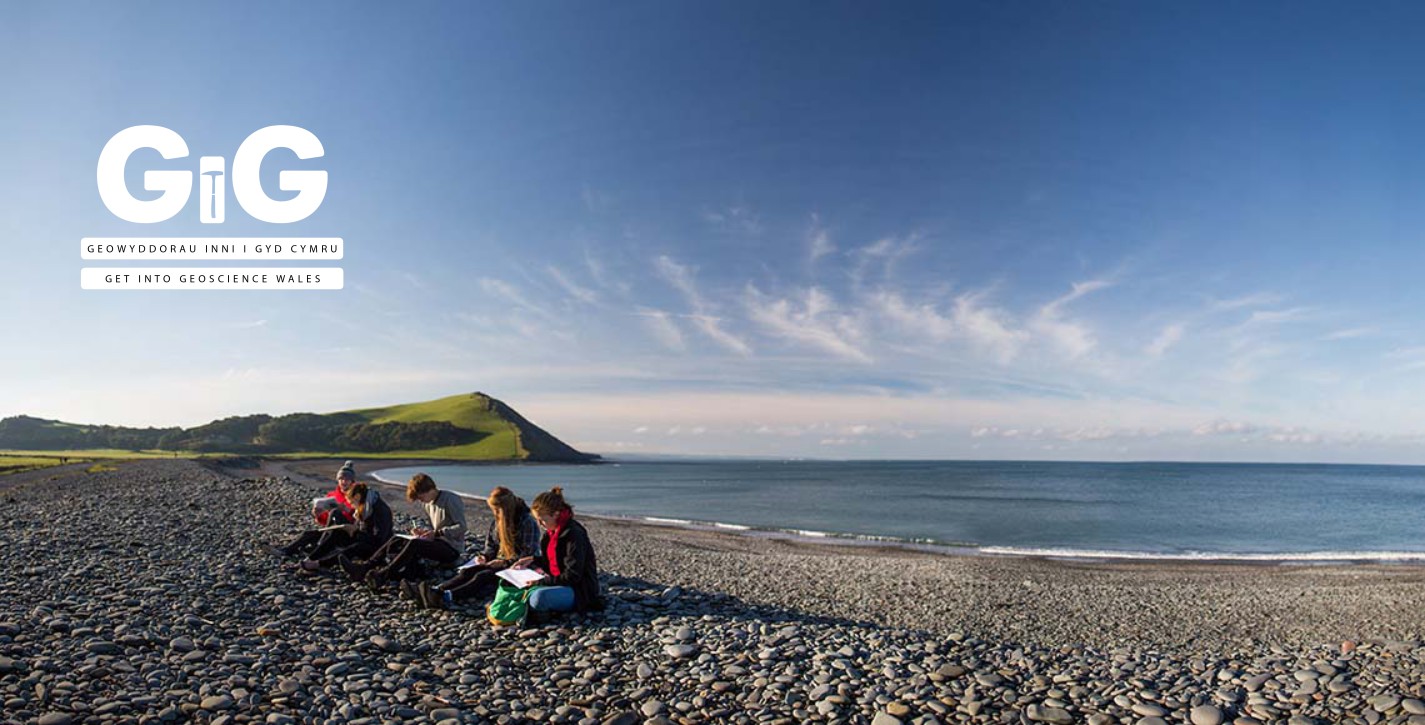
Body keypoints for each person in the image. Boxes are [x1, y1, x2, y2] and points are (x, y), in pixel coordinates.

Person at [408, 486, 541, 609]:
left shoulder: (527, 522)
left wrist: (505, 562)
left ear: (505, 509)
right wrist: (485, 556)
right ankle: (435, 590)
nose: (494, 514)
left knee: (482, 576)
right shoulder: (497, 521)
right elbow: (491, 545)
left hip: (517, 567)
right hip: (498, 562)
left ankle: (446, 596)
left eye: (496, 511)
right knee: (467, 572)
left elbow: (527, 554)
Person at [340, 472, 466, 587]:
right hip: (437, 542)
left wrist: (437, 533)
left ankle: (383, 575)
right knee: (396, 539)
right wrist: (423, 532)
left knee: (414, 544)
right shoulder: (427, 503)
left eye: (420, 497)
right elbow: (434, 528)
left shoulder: (450, 499)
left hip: (452, 548)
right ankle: (365, 567)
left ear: (429, 489)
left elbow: (462, 527)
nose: (420, 500)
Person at [509, 486, 601, 615]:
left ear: (556, 514)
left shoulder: (574, 534)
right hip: (558, 582)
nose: (540, 524)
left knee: (538, 598)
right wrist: (532, 560)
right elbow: (553, 562)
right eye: (537, 520)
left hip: (578, 589)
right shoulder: (550, 534)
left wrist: (540, 582)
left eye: (542, 520)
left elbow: (572, 576)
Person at [270, 461, 358, 558]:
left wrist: (346, 509)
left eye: (347, 479)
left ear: (352, 481)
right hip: (330, 531)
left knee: (335, 512)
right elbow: (325, 521)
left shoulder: (357, 495)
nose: (343, 482)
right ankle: (285, 551)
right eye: (341, 479)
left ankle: (316, 549)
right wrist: (318, 515)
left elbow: (361, 518)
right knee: (308, 534)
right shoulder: (332, 495)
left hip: (346, 532)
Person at [299, 482, 393, 571]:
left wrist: (355, 531)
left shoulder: (380, 510)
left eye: (352, 503)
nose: (352, 506)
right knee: (337, 534)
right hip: (364, 538)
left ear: (357, 497)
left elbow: (377, 540)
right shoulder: (365, 507)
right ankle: (310, 558)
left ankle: (319, 563)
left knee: (357, 546)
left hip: (376, 547)